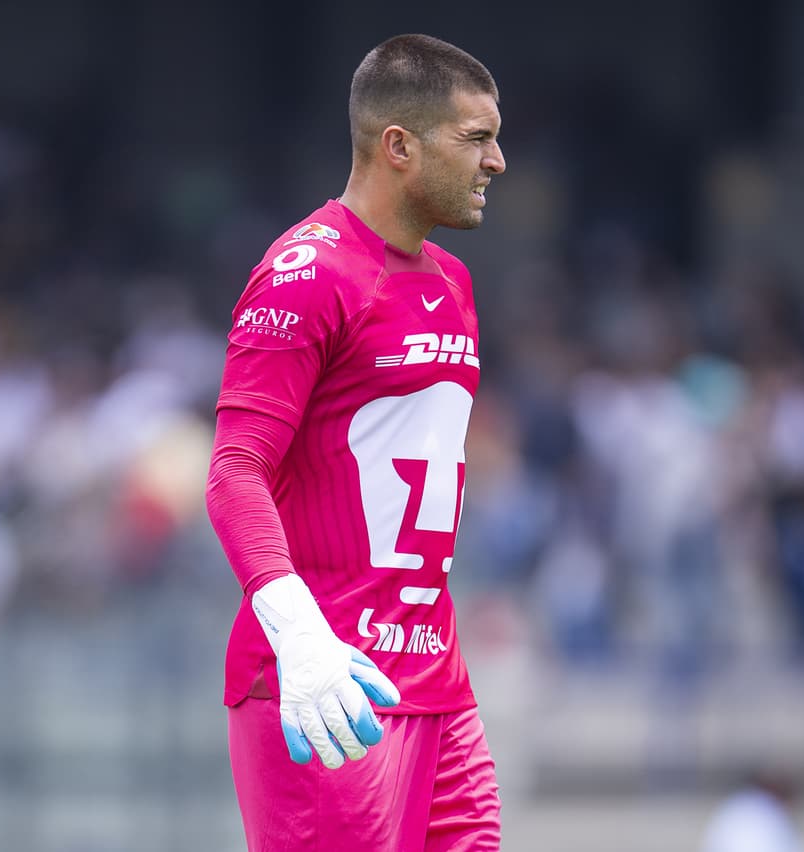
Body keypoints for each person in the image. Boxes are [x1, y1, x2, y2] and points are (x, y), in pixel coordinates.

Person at [205, 33, 506, 851]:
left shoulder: (454, 282)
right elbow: (234, 472)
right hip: (330, 684)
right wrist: (298, 635)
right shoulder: (306, 273)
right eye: (477, 138)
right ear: (399, 146)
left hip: (437, 684)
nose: (497, 161)